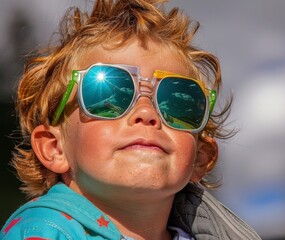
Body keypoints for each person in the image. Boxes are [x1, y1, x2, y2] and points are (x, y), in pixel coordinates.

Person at [0, 0, 261, 239]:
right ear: (55, 148)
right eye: (110, 97)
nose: (147, 113)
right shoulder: (42, 230)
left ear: (200, 158)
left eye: (178, 103)